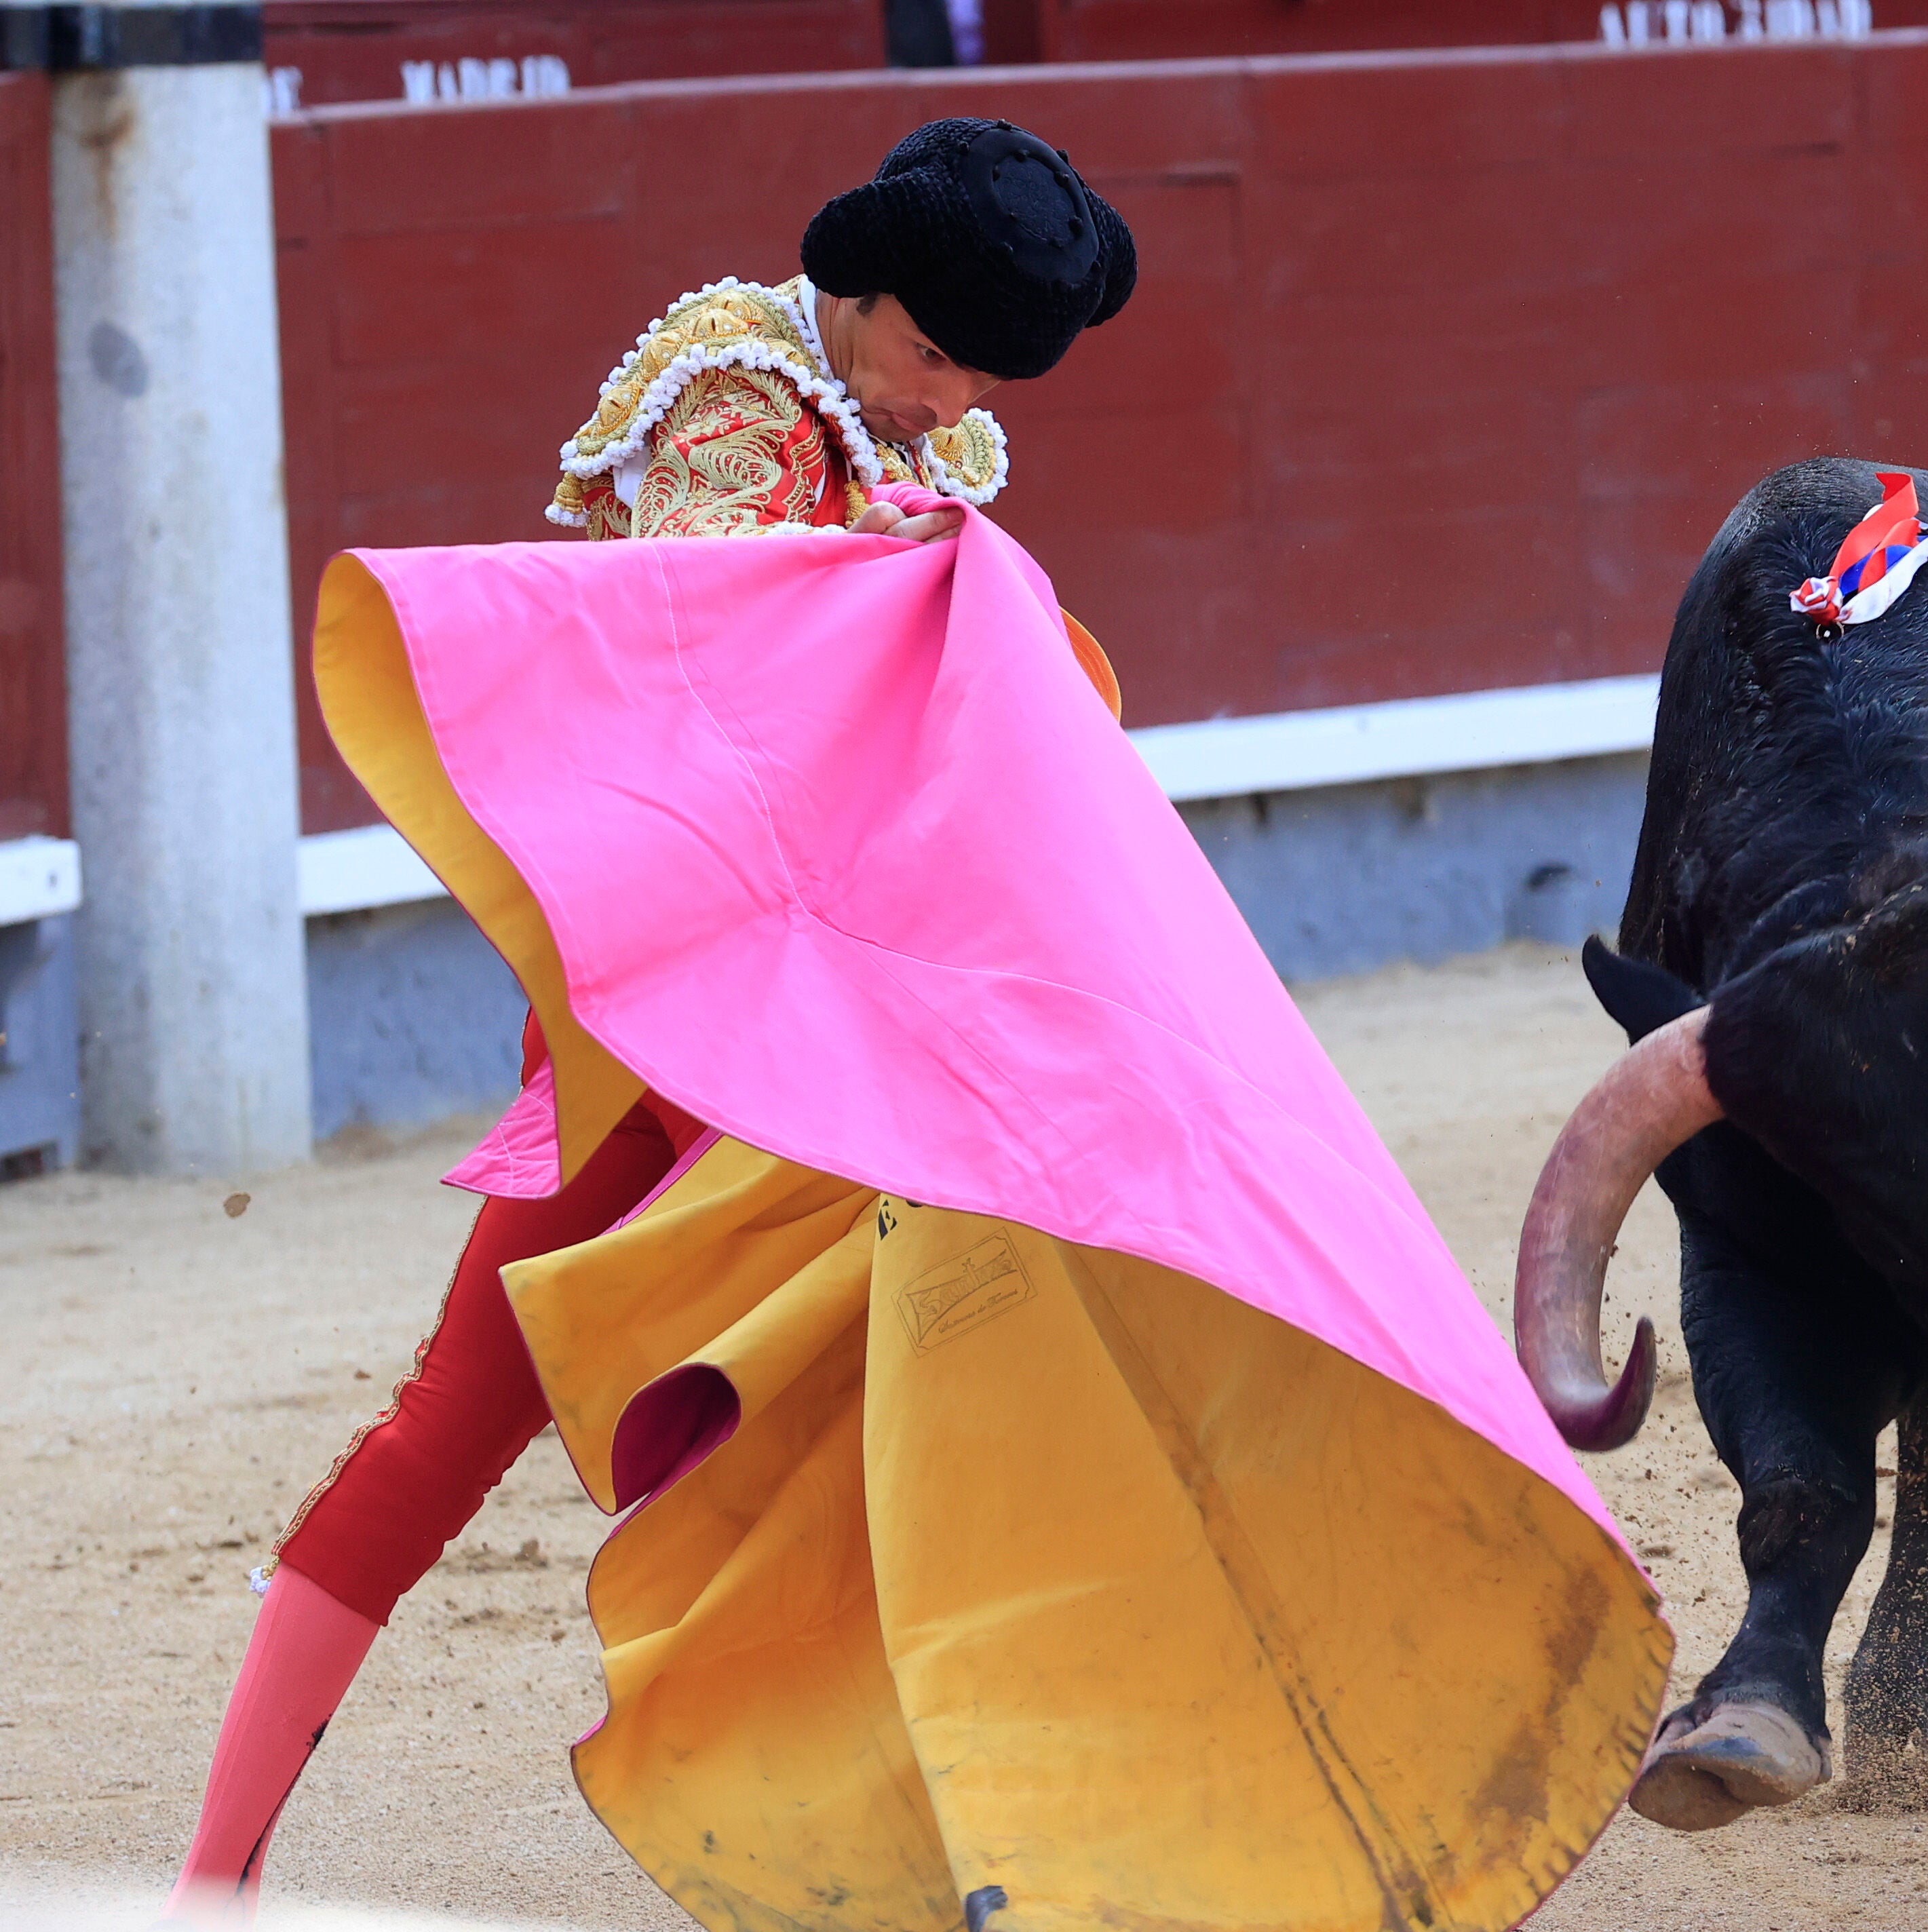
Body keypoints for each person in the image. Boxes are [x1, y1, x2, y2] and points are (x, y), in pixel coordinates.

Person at [167, 118, 1666, 1932]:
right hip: (685, 1039)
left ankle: (984, 1854)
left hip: (876, 1050)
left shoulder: (910, 435)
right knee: (456, 1422)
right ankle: (209, 1874)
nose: (948, 394)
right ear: (856, 286)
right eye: (932, 350)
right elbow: (713, 707)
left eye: (977, 369)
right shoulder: (730, 399)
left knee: (969, 1414)